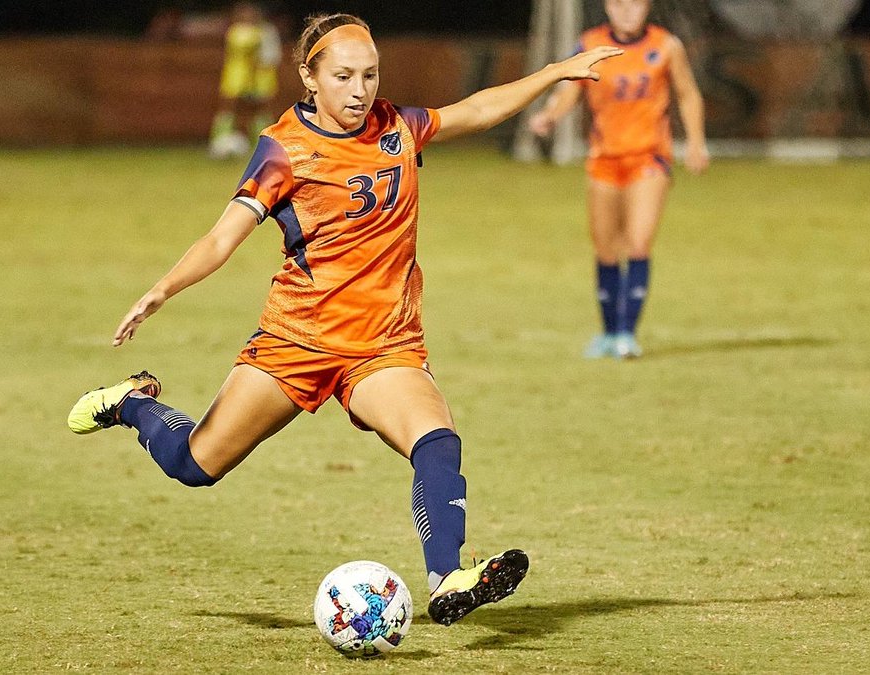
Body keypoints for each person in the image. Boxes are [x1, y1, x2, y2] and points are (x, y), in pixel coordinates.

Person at [67, 13, 621, 626]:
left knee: (435, 440)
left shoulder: (395, 126)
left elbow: (475, 111)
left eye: (369, 75)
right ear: (308, 76)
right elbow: (224, 237)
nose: (359, 90)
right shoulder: (284, 150)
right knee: (197, 465)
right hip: (296, 339)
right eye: (342, 76)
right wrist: (162, 289)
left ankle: (447, 578)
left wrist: (553, 72)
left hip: (383, 344)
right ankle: (133, 404)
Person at [528, 0, 708, 358]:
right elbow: (571, 91)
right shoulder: (591, 44)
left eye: (635, 5)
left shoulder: (666, 46)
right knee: (606, 249)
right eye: (620, 4)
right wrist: (549, 115)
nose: (627, 12)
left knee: (638, 243)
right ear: (608, 8)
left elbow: (687, 94)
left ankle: (627, 333)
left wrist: (697, 142)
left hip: (649, 158)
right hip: (604, 159)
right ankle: (609, 333)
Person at [209, 2, 282, 158]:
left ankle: (263, 144)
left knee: (259, 109)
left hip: (258, 77)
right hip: (236, 76)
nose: (247, 15)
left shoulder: (264, 32)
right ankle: (218, 142)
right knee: (229, 107)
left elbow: (271, 56)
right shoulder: (234, 31)